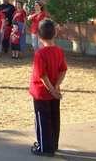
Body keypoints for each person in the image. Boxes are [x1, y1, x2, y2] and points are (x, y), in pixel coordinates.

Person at [29, 19, 67, 157]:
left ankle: (44, 147)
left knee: (42, 118)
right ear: (55, 33)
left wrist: (51, 89)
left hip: (41, 93)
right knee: (54, 117)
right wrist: (56, 86)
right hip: (54, 92)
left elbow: (42, 75)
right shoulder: (59, 51)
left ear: (39, 36)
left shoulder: (40, 53)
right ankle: (52, 144)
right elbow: (63, 70)